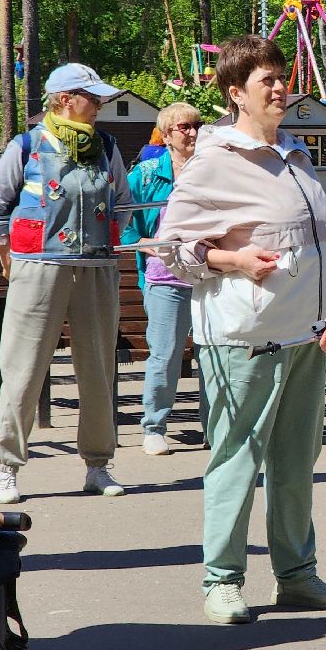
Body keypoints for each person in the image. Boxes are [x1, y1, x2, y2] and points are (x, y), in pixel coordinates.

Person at [155, 35, 326, 626]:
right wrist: (233, 262)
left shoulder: (292, 154)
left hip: (304, 336)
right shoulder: (214, 160)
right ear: (233, 93)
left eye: (280, 76)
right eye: (265, 79)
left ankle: (296, 575)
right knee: (237, 459)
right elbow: (172, 249)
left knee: (297, 463)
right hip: (243, 337)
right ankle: (221, 580)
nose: (279, 87)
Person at [0, 63, 132, 504]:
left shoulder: (106, 145)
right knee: (23, 369)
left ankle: (98, 466)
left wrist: (104, 238)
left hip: (96, 269)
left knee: (100, 369)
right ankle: (7, 467)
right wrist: (12, 262)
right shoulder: (26, 144)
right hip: (37, 267)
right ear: (64, 99)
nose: (101, 104)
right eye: (93, 97)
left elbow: (121, 201)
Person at [121, 101, 204, 456]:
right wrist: (148, 246)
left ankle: (216, 428)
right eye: (184, 127)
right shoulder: (146, 173)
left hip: (209, 277)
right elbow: (122, 223)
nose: (193, 133)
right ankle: (154, 427)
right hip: (165, 278)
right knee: (166, 353)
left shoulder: (211, 170)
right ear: (167, 134)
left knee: (214, 355)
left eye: (196, 126)